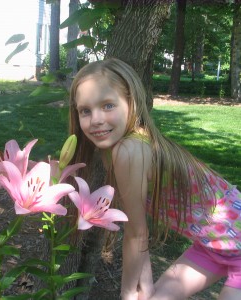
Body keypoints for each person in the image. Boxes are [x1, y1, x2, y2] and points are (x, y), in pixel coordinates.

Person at [68, 58, 241, 300]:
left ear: (132, 103)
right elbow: (139, 232)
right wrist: (144, 288)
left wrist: (127, 292)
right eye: (85, 110)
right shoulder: (114, 151)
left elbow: (136, 235)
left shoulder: (130, 150)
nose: (95, 119)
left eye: (108, 106)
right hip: (211, 248)